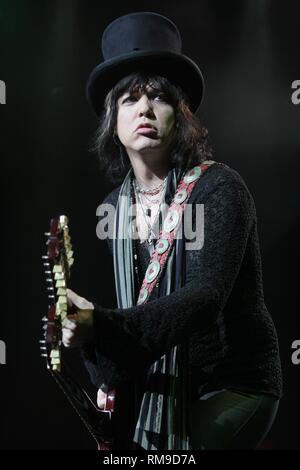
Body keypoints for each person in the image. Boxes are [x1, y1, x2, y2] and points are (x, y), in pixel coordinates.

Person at [62, 12, 282, 450]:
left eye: (159, 97)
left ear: (178, 115)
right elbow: (139, 312)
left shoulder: (219, 187)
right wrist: (85, 339)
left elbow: (204, 298)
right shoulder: (114, 207)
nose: (144, 108)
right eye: (128, 99)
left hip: (234, 384)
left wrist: (100, 325)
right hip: (160, 389)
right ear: (113, 121)